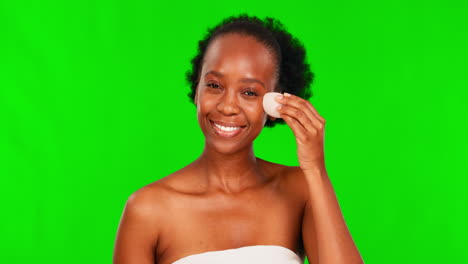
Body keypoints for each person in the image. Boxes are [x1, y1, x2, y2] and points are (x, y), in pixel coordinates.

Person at [113, 14, 363, 264]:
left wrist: (315, 168)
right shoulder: (147, 210)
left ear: (276, 102)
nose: (228, 106)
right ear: (196, 88)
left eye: (249, 92)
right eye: (214, 86)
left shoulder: (299, 190)